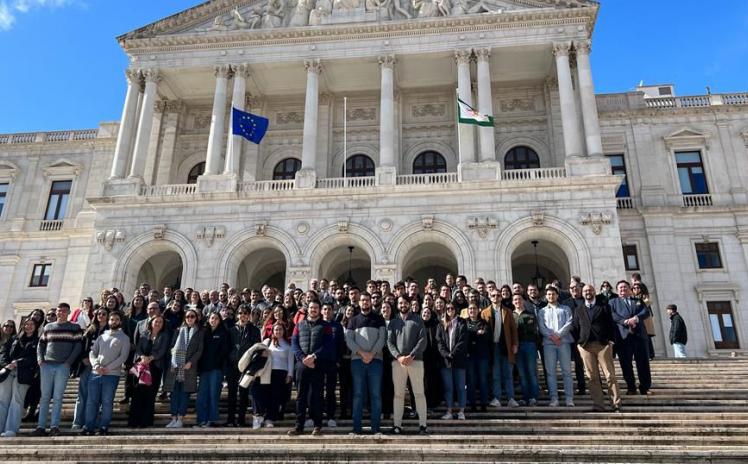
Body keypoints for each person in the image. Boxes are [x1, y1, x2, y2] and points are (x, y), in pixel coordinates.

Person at [35, 303, 83, 436]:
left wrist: (68, 362)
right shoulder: (48, 326)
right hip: (46, 365)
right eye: (58, 311)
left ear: (68, 312)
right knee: (44, 397)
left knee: (57, 397)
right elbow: (41, 344)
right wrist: (40, 359)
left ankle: (54, 426)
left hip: (63, 366)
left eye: (63, 311)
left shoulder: (75, 327)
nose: (60, 313)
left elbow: (78, 346)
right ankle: (40, 426)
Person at [570, 284, 621, 412]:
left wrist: (611, 341)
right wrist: (578, 343)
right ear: (582, 293)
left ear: (594, 292)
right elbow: (575, 327)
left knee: (610, 375)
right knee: (592, 377)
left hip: (602, 344)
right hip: (585, 346)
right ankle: (599, 405)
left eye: (590, 290)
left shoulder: (604, 307)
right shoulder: (579, 309)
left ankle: (616, 404)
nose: (588, 292)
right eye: (586, 291)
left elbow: (611, 324)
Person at [289, 300, 333, 436]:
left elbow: (328, 344)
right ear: (307, 309)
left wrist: (313, 356)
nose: (313, 310)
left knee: (317, 395)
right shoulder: (299, 325)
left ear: (319, 310)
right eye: (311, 307)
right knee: (301, 396)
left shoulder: (325, 326)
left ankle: (317, 425)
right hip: (302, 364)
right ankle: (299, 426)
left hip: (318, 364)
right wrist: (303, 358)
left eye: (316, 308)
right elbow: (294, 343)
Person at [345, 292, 386, 435]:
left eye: (367, 300)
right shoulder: (353, 320)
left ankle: (376, 429)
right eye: (362, 300)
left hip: (376, 361)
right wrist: (362, 353)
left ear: (370, 302)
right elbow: (349, 340)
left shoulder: (379, 319)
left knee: (375, 394)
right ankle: (356, 429)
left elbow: (382, 338)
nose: (365, 302)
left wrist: (372, 353)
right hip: (357, 361)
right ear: (359, 302)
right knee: (357, 394)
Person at [83, 311, 129, 436]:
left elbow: (123, 357)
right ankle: (89, 427)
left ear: (120, 322)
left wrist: (108, 368)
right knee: (92, 401)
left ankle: (103, 426)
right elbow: (92, 352)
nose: (113, 321)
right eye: (111, 319)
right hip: (95, 373)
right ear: (108, 321)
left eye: (116, 319)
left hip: (112, 375)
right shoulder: (101, 336)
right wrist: (96, 365)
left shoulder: (124, 338)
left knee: (107, 401)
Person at [387, 296, 428, 434]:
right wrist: (398, 356)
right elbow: (389, 342)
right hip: (398, 362)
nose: (402, 305)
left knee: (419, 393)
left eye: (405, 303)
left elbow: (423, 339)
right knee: (398, 395)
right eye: (400, 303)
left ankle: (423, 425)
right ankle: (397, 425)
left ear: (409, 304)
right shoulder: (393, 322)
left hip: (415, 361)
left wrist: (412, 355)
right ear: (397, 305)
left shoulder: (418, 320)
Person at [610, 281, 652, 395]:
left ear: (629, 289)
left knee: (643, 363)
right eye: (620, 288)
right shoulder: (613, 302)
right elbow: (613, 315)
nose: (623, 289)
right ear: (617, 290)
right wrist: (625, 321)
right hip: (623, 337)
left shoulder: (637, 301)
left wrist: (636, 319)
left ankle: (645, 387)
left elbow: (646, 312)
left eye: (625, 287)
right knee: (626, 364)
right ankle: (631, 387)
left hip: (639, 336)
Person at [164, 309, 204, 429]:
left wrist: (191, 362)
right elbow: (172, 347)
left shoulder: (200, 332)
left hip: (189, 367)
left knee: (184, 394)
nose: (190, 318)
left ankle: (180, 418)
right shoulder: (178, 330)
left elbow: (199, 350)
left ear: (196, 318)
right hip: (175, 366)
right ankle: (173, 418)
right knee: (174, 393)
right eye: (187, 316)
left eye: (192, 316)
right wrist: (173, 361)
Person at [129, 314, 170, 428]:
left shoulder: (165, 335)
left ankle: (145, 421)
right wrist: (142, 357)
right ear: (151, 322)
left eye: (160, 322)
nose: (158, 323)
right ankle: (134, 421)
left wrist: (151, 358)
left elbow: (162, 350)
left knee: (150, 395)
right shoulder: (144, 334)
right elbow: (138, 347)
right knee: (137, 394)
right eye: (156, 321)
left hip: (155, 368)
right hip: (142, 367)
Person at [0, 318, 39, 437]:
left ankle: (11, 429)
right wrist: (6, 364)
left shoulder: (37, 341)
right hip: (8, 371)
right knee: (2, 401)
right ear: (23, 325)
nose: (29, 326)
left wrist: (18, 363)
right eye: (26, 324)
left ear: (36, 326)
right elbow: (3, 352)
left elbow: (34, 358)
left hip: (24, 374)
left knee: (16, 401)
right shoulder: (14, 339)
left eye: (32, 324)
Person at [72, 308, 109, 430]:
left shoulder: (110, 331)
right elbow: (82, 345)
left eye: (104, 314)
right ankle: (77, 421)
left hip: (102, 365)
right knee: (82, 394)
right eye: (99, 314)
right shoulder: (90, 330)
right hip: (87, 365)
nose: (101, 316)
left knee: (96, 396)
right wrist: (83, 358)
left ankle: (92, 421)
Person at [481, 290, 519, 408]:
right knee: (496, 374)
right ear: (490, 297)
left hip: (506, 346)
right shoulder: (484, 312)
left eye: (498, 295)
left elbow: (513, 330)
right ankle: (496, 398)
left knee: (508, 373)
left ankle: (511, 398)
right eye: (493, 296)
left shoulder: (507, 311)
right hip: (493, 347)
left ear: (501, 298)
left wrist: (515, 344)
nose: (496, 297)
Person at [538, 286, 574, 407]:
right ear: (546, 296)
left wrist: (558, 336)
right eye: (548, 294)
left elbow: (569, 323)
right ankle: (554, 398)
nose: (551, 296)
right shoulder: (542, 311)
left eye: (553, 294)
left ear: (557, 295)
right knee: (550, 372)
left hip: (563, 343)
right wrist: (552, 337)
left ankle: (569, 398)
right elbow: (542, 327)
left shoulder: (566, 309)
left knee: (567, 371)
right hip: (548, 344)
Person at [196, 312, 231, 427]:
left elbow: (225, 351)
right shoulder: (203, 332)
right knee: (202, 395)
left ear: (219, 320)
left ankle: (212, 419)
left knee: (213, 394)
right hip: (204, 369)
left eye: (216, 318)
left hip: (216, 369)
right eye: (211, 318)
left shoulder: (223, 333)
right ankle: (201, 419)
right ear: (208, 319)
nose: (213, 320)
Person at [227, 307, 261, 427]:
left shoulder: (255, 330)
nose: (243, 315)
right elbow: (227, 348)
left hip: (246, 366)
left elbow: (257, 349)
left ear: (249, 315)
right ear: (237, 315)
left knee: (244, 394)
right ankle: (230, 419)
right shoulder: (231, 330)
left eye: (245, 313)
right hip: (232, 366)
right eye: (240, 313)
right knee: (231, 393)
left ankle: (241, 419)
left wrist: (252, 365)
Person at [437, 303, 468, 420]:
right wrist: (446, 354)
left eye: (452, 308)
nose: (450, 310)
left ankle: (461, 411)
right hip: (446, 361)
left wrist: (453, 354)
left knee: (461, 386)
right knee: (448, 387)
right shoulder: (441, 324)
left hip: (459, 360)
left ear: (456, 310)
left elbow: (463, 341)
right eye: (447, 308)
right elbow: (439, 342)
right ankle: (449, 411)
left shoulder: (462, 322)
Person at [263, 323, 294, 427]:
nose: (278, 332)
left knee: (277, 396)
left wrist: (290, 375)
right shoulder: (268, 342)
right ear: (273, 331)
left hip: (281, 373)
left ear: (284, 331)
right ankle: (268, 417)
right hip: (269, 372)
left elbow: (290, 361)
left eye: (280, 329)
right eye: (276, 330)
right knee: (268, 395)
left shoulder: (288, 345)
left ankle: (273, 416)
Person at [513, 294, 540, 406]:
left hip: (529, 344)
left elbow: (532, 329)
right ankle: (525, 397)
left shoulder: (530, 314)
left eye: (519, 299)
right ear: (512, 302)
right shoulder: (511, 315)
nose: (517, 301)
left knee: (531, 372)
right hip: (517, 346)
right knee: (522, 374)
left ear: (523, 301)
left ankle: (533, 397)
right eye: (515, 299)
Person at [321, 304, 344, 428]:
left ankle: (330, 416)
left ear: (333, 311)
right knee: (317, 391)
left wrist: (338, 360)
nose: (327, 311)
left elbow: (341, 344)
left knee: (330, 391)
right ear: (321, 311)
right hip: (318, 362)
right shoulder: (318, 324)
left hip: (332, 362)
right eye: (324, 309)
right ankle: (316, 415)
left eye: (329, 309)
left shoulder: (337, 326)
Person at [464, 303, 489, 412]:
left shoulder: (484, 323)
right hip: (469, 356)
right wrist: (476, 333)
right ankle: (472, 404)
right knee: (471, 380)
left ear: (478, 310)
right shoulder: (464, 323)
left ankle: (484, 404)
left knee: (483, 380)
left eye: (474, 308)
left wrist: (474, 335)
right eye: (470, 309)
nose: (472, 310)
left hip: (482, 355)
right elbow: (464, 337)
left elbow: (487, 336)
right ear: (468, 311)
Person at [420, 307, 442, 413]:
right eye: (424, 312)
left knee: (431, 382)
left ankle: (431, 405)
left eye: (428, 312)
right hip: (420, 358)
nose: (426, 314)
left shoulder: (435, 325)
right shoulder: (418, 326)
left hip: (432, 359)